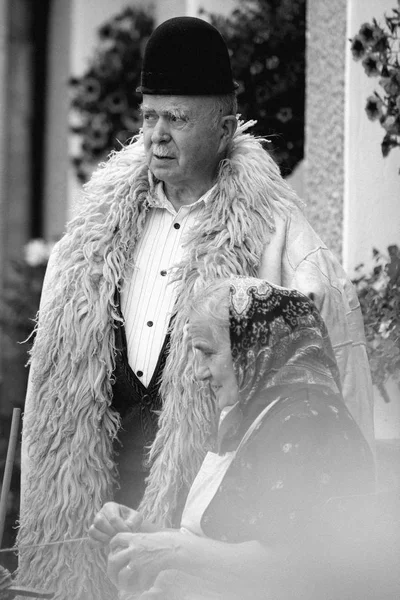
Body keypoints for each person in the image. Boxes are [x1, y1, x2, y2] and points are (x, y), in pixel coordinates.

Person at [17, 16, 374, 600]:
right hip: (89, 519)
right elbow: (44, 406)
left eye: (177, 119)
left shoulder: (281, 242)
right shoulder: (87, 237)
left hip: (210, 529)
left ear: (226, 126)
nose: (157, 135)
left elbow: (335, 385)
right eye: (149, 116)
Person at [89, 277, 375, 600]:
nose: (199, 372)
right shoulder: (260, 415)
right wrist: (141, 533)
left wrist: (171, 549)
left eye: (208, 353)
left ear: (253, 345)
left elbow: (299, 567)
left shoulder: (311, 422)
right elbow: (227, 542)